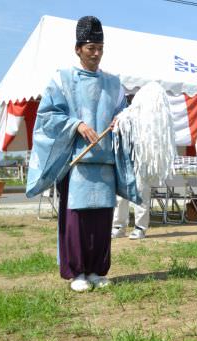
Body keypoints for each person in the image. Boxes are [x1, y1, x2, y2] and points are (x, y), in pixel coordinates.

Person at [26, 16, 136, 293]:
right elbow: (48, 116)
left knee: (102, 220)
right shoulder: (61, 79)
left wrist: (120, 120)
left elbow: (124, 111)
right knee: (77, 220)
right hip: (77, 162)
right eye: (90, 48)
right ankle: (77, 272)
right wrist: (76, 124)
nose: (96, 53)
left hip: (105, 162)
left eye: (100, 47)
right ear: (78, 49)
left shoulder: (113, 83)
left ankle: (98, 270)